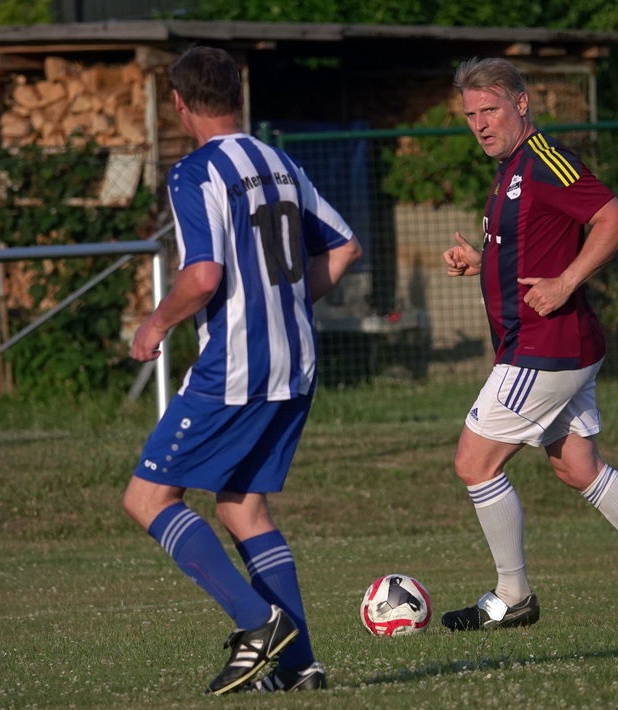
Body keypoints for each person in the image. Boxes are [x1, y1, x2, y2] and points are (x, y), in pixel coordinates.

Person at [123, 46, 362, 695]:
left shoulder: (195, 172)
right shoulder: (280, 162)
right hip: (297, 361)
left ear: (179, 104)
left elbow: (203, 276)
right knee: (242, 506)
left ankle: (258, 623)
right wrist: (287, 301)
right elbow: (345, 247)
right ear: (237, 95)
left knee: (147, 498)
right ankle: (300, 667)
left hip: (236, 366)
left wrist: (155, 324)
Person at [440, 57, 618, 631]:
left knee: (474, 462)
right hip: (552, 345)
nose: (480, 124)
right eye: (471, 115)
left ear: (522, 104)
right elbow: (530, 248)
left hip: (545, 348)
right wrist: (482, 262)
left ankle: (513, 596)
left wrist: (566, 282)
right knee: (577, 466)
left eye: (490, 110)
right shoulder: (511, 168)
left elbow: (615, 221)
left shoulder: (545, 160)